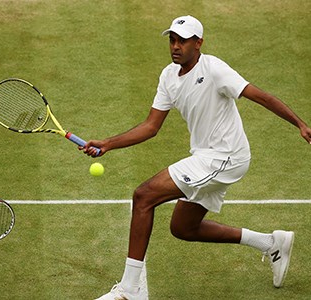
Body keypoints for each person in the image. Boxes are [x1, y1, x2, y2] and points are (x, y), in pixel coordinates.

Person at [87, 16, 311, 300]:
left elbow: (262, 97)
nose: (175, 46)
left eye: (183, 40)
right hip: (206, 156)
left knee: (144, 196)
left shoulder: (215, 69)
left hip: (226, 156)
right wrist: (108, 143)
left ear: (198, 43)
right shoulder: (168, 76)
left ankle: (130, 290)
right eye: (172, 40)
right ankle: (270, 243)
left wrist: (300, 124)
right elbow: (151, 126)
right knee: (184, 227)